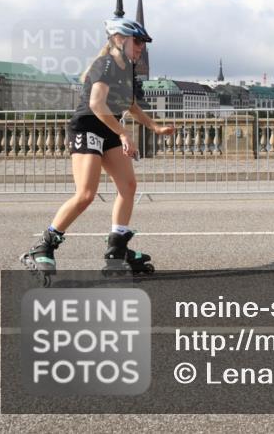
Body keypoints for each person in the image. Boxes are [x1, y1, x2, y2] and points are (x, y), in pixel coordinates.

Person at [20, 17, 175, 284]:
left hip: (108, 130)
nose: (141, 47)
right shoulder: (104, 64)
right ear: (119, 39)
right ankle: (42, 247)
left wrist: (155, 126)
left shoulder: (126, 69)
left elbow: (131, 105)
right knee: (86, 195)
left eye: (143, 43)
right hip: (87, 128)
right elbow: (97, 104)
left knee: (128, 187)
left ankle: (116, 250)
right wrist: (124, 132)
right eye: (137, 41)